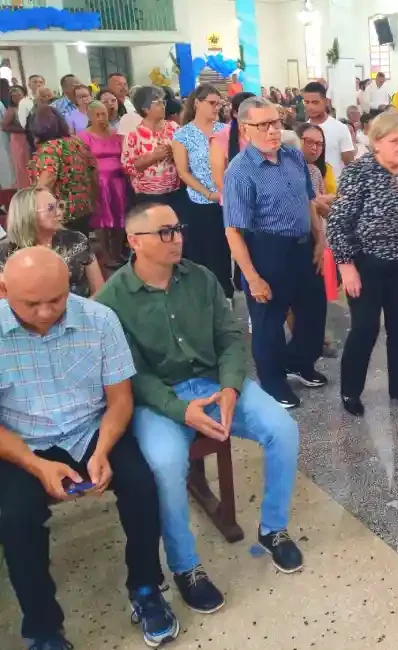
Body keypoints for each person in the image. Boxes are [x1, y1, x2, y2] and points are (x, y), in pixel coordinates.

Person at [95, 201, 303, 616]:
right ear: (135, 241)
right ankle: (185, 566)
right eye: (165, 232)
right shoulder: (111, 301)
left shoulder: (201, 278)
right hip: (160, 398)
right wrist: (179, 409)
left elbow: (229, 338)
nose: (177, 239)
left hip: (215, 382)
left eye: (178, 229)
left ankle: (273, 528)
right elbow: (131, 374)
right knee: (165, 464)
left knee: (283, 429)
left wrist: (229, 388)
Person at [0, 247, 179, 649]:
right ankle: (43, 627)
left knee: (141, 485)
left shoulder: (99, 319)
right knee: (15, 517)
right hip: (22, 441)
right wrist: (36, 465)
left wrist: (102, 450)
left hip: (92, 429)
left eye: (56, 299)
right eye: (32, 304)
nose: (46, 312)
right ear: (4, 291)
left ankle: (146, 588)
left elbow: (120, 400)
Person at [223, 97, 328, 408]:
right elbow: (233, 231)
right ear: (245, 129)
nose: (272, 131)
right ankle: (272, 382)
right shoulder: (240, 171)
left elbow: (308, 200)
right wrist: (252, 277)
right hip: (267, 249)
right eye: (263, 125)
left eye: (276, 122)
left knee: (313, 310)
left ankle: (299, 362)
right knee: (269, 320)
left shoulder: (293, 156)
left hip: (303, 245)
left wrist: (319, 238)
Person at [327, 111, 398, 417]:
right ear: (376, 142)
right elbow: (338, 223)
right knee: (365, 329)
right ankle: (351, 390)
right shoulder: (359, 172)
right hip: (366, 264)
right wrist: (346, 266)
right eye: (395, 141)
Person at [172, 84, 233, 299]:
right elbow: (183, 171)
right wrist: (208, 193)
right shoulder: (183, 134)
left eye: (219, 104)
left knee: (225, 249)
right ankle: (204, 294)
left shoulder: (225, 130)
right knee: (204, 249)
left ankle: (225, 292)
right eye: (212, 103)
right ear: (197, 103)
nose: (217, 108)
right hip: (200, 199)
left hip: (227, 198)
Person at [0, 187, 105, 297]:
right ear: (28, 215)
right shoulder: (6, 253)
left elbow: (99, 290)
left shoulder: (77, 240)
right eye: (51, 208)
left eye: (59, 206)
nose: (59, 213)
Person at [28, 106, 97, 234]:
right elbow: (93, 172)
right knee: (80, 243)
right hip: (83, 209)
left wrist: (34, 210)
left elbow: (45, 183)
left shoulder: (49, 149)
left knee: (62, 246)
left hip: (59, 214)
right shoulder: (77, 143)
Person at [77, 100, 128, 267]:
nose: (101, 118)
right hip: (98, 182)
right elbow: (81, 162)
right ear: (90, 117)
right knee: (103, 220)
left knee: (120, 218)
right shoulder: (83, 136)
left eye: (103, 114)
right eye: (97, 115)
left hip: (118, 181)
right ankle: (106, 255)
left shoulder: (115, 134)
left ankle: (118, 252)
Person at [121, 85, 180, 209]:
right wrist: (152, 157)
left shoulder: (174, 128)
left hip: (176, 192)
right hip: (147, 195)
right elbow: (129, 168)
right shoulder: (133, 136)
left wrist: (174, 153)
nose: (163, 106)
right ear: (146, 109)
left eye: (163, 102)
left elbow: (186, 157)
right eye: (158, 103)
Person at [302, 82, 355, 179]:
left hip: (336, 184)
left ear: (325, 102)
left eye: (315, 102)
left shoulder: (340, 128)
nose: (310, 107)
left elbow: (349, 162)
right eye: (307, 102)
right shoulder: (302, 130)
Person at [1, 83, 30, 188]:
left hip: (29, 138)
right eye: (13, 96)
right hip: (18, 138)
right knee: (21, 163)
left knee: (30, 162)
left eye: (19, 95)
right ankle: (24, 187)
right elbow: (5, 126)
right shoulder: (12, 110)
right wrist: (23, 129)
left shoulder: (29, 106)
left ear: (24, 95)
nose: (16, 97)